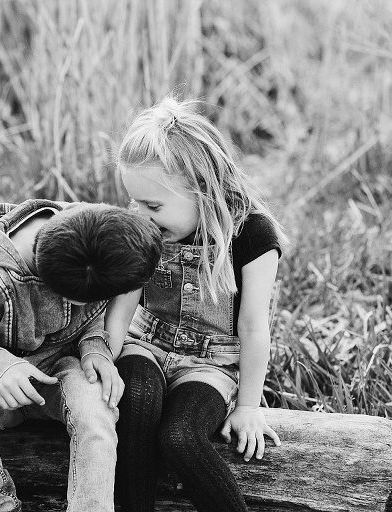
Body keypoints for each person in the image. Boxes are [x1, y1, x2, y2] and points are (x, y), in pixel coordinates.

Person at [0, 198, 162, 512]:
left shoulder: (90, 233)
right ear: (70, 296)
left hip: (58, 370)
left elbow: (92, 318)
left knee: (97, 402)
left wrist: (95, 348)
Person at [114, 96, 288, 512]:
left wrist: (248, 406)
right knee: (136, 402)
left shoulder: (253, 236)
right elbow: (124, 304)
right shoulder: (146, 227)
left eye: (153, 205)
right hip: (146, 343)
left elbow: (253, 327)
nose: (141, 215)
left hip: (211, 364)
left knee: (179, 437)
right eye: (135, 202)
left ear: (202, 188)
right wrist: (103, 353)